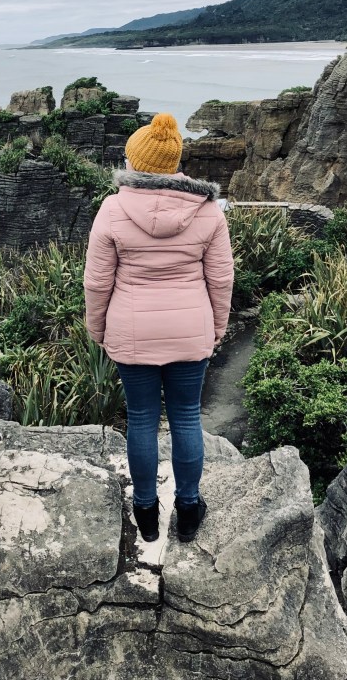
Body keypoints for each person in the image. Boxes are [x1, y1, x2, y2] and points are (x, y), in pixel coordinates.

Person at [84, 112, 234, 543]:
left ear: (134, 162)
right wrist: (217, 328)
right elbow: (221, 278)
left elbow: (97, 281)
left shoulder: (113, 208)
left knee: (143, 419)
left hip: (131, 333)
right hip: (191, 330)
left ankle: (146, 511)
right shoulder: (207, 210)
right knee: (187, 417)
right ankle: (188, 509)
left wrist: (98, 329)